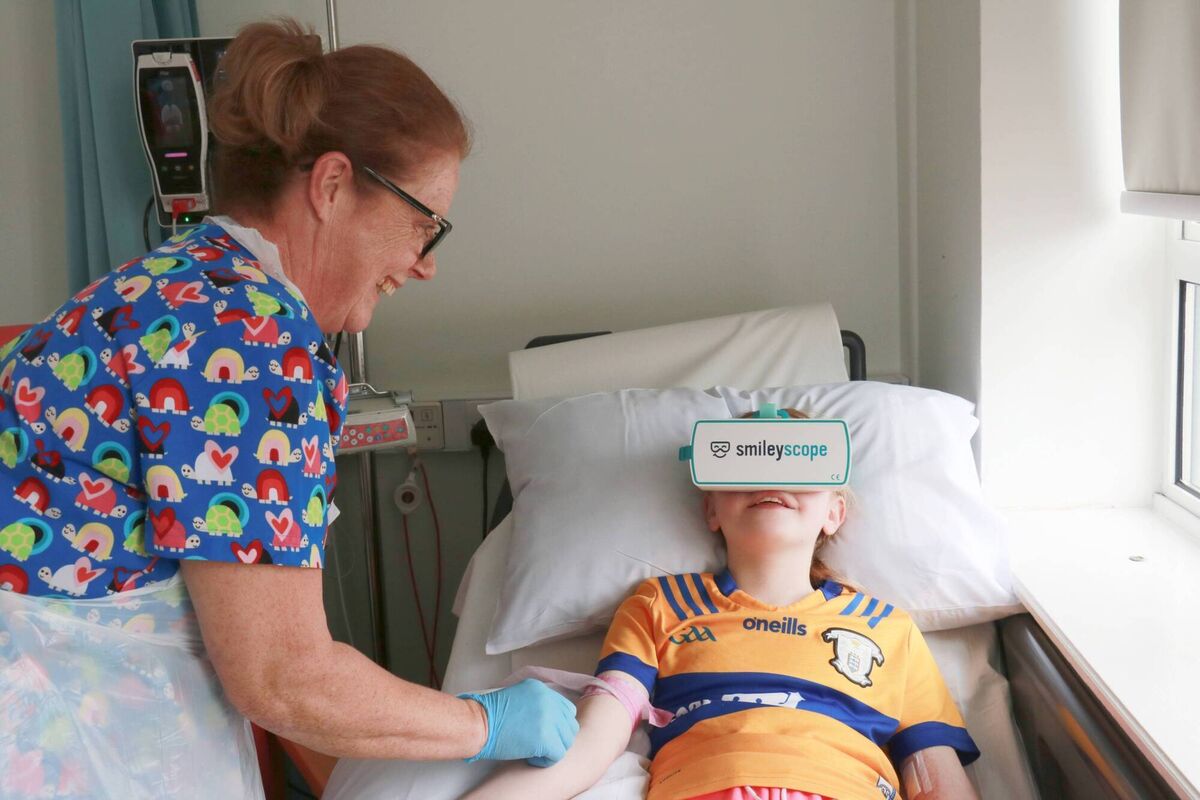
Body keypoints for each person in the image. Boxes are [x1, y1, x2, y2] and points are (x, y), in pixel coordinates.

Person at [0, 18, 575, 797]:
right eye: (423, 224)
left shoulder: (170, 283)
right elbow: (281, 678)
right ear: (332, 185)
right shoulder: (248, 339)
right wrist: (487, 724)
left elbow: (260, 655)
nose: (425, 264)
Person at [465, 409, 981, 800]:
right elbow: (596, 737)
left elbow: (933, 773)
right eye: (744, 459)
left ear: (835, 511)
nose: (771, 475)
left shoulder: (888, 628)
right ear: (712, 508)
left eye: (802, 461)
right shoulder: (660, 605)